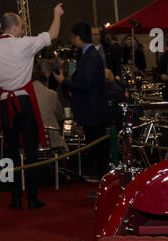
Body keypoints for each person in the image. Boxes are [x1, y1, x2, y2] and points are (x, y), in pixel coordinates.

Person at [0, 4, 64, 209]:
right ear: (15, 28)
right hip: (24, 101)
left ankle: (14, 197)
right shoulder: (23, 44)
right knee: (31, 150)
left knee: (9, 151)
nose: (24, 29)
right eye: (23, 26)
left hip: (4, 102)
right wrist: (56, 14)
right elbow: (52, 34)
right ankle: (33, 197)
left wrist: (3, 102)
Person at [59, 21, 109, 179]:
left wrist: (64, 81)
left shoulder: (91, 56)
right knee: (97, 150)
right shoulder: (90, 55)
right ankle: (101, 182)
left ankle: (102, 183)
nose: (72, 41)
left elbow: (86, 84)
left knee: (98, 150)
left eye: (73, 37)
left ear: (78, 37)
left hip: (92, 112)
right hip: (92, 110)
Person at [31, 60, 64, 149]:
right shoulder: (52, 94)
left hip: (30, 140)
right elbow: (60, 115)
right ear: (45, 81)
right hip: (52, 139)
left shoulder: (23, 95)